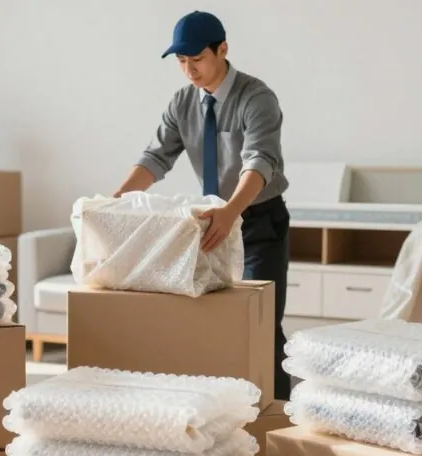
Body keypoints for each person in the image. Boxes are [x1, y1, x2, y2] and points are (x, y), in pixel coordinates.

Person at [111, 10, 292, 401]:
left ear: (222, 50)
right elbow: (156, 157)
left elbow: (260, 161)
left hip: (258, 221)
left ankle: (277, 414)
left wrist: (231, 211)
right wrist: (116, 201)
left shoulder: (256, 98)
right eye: (181, 61)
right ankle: (224, 411)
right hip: (211, 222)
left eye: (197, 59)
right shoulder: (182, 102)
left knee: (262, 325)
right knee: (215, 324)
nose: (189, 70)